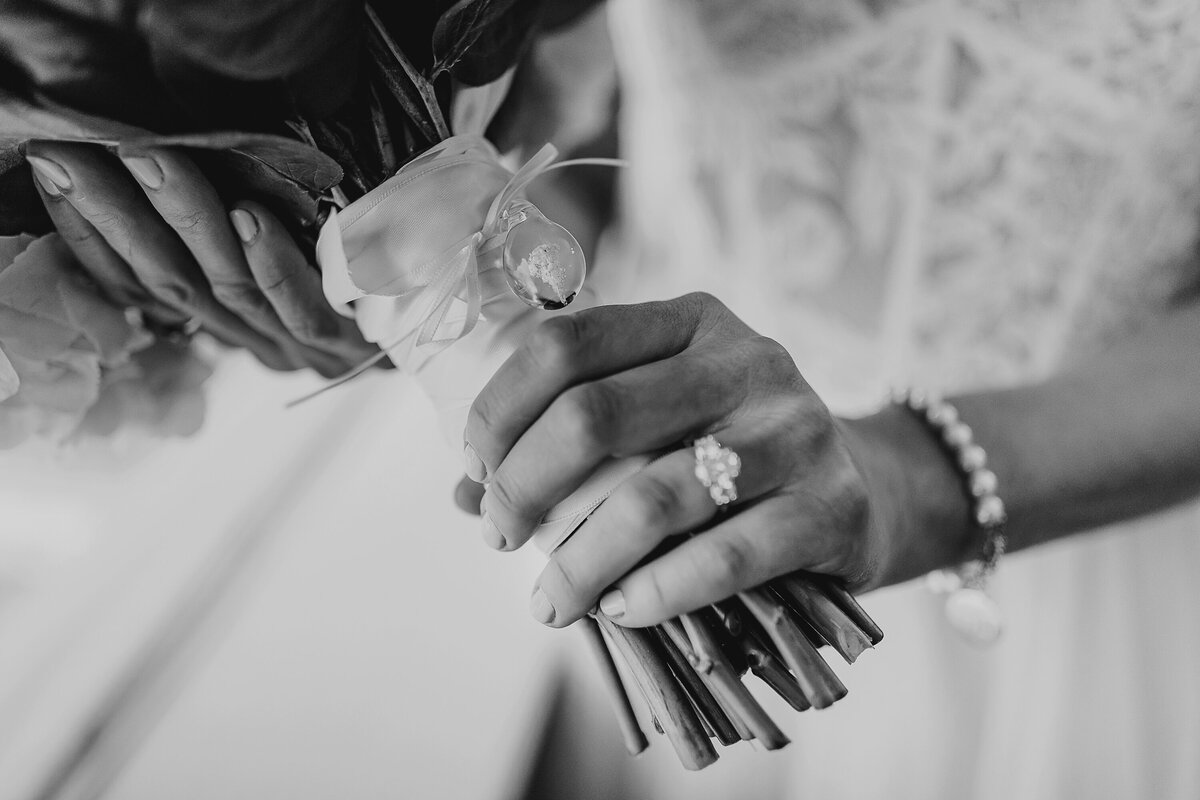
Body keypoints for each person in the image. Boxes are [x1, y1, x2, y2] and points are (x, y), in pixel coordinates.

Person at [461, 1, 1200, 798]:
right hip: (665, 510)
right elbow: (592, 111)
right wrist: (459, 275)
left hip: (1086, 491)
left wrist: (909, 478)